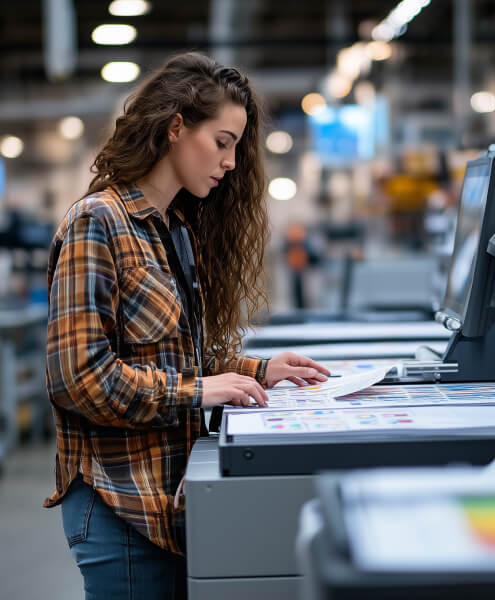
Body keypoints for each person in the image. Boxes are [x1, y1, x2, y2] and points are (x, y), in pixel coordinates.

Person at [44, 52, 330, 600]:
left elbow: (177, 358)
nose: (229, 162)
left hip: (170, 500)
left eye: (236, 147)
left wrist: (259, 370)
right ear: (176, 127)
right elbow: (78, 378)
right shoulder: (96, 223)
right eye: (222, 142)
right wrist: (200, 392)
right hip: (120, 505)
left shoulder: (174, 229)